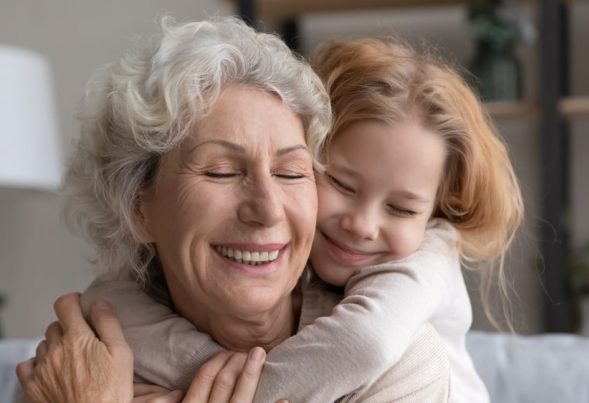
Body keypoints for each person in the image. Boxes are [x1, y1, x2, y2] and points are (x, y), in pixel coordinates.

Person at [57, 37, 523, 402]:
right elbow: (107, 303)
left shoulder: (407, 340)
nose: (269, 207)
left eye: (289, 172)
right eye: (221, 171)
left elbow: (365, 343)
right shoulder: (81, 363)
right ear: (141, 209)